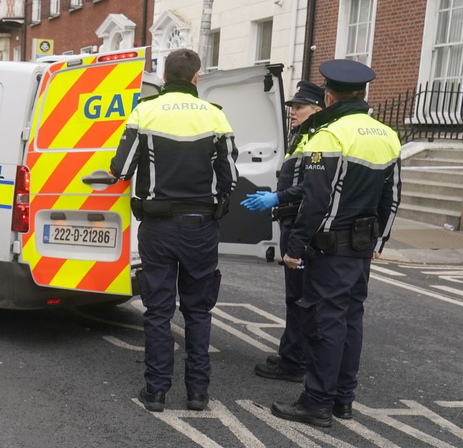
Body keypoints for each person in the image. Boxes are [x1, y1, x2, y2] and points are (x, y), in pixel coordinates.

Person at [271, 60, 401, 428]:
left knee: (324, 323)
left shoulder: (329, 135)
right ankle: (343, 399)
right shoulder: (387, 135)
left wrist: (295, 247)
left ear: (329, 96)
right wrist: (381, 238)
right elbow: (391, 196)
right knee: (351, 321)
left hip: (330, 248)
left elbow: (315, 201)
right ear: (362, 93)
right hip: (362, 245)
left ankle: (316, 402)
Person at [110, 48, 238, 413]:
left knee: (158, 311)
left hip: (158, 228)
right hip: (201, 228)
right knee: (198, 311)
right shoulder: (215, 116)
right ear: (196, 77)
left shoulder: (145, 111)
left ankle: (156, 392)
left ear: (165, 77)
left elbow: (121, 168)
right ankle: (198, 393)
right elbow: (231, 176)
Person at [242, 80, 325, 383]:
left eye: (299, 107)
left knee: (300, 296)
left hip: (300, 222)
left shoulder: (317, 138)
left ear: (317, 109)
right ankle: (291, 352)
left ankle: (294, 363)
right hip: (291, 220)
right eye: (292, 106)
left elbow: (312, 187)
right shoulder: (302, 135)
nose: (293, 111)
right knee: (295, 296)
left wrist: (277, 198)